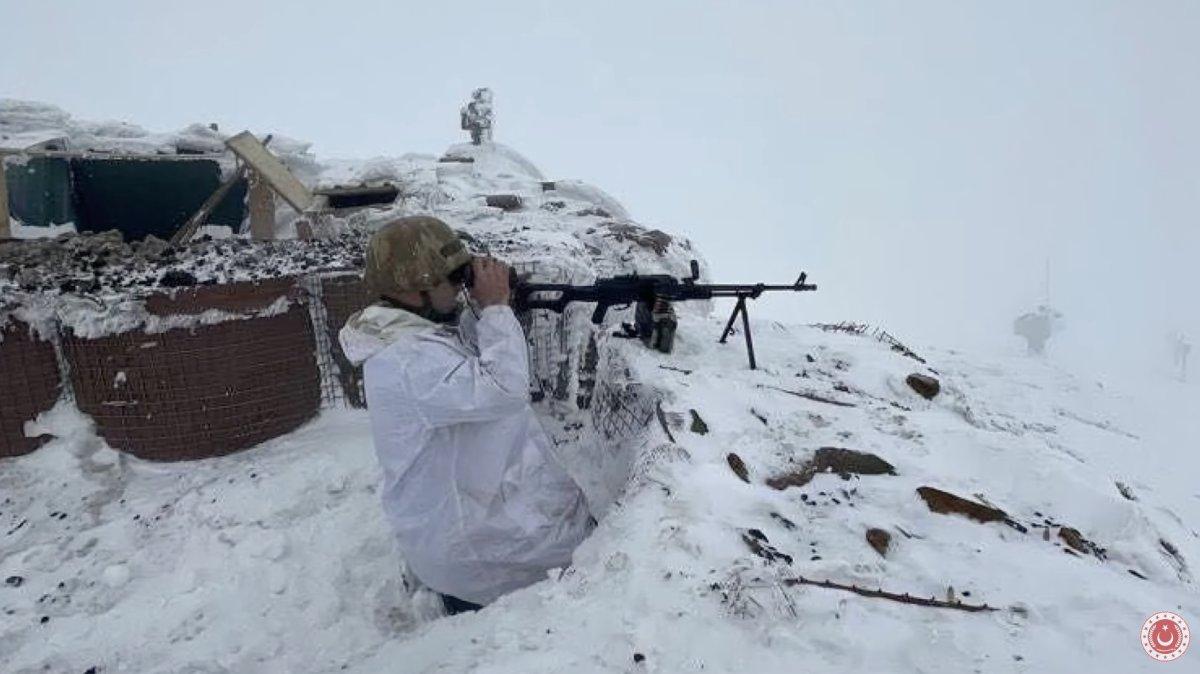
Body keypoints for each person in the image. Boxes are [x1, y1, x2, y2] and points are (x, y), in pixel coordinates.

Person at [338, 216, 593, 615]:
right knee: (588, 562)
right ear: (414, 289)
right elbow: (505, 389)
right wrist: (494, 309)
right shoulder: (407, 360)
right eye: (452, 280)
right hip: (470, 549)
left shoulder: (411, 332)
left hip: (463, 514)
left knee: (575, 532)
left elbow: (471, 353)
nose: (460, 288)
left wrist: (488, 303)